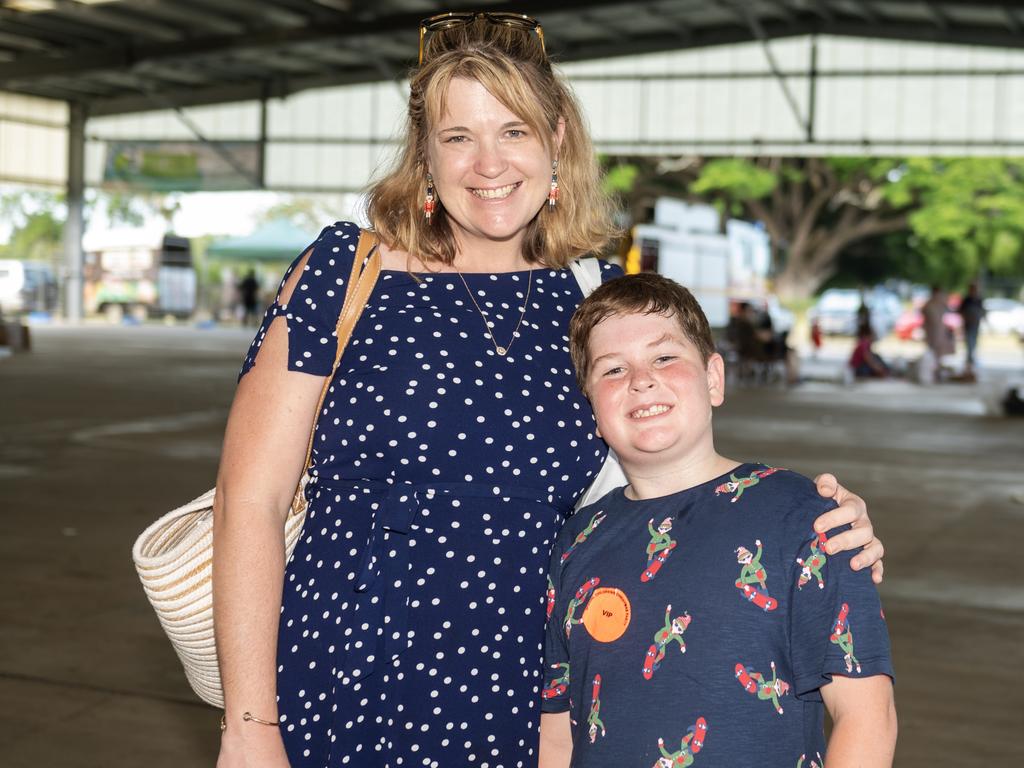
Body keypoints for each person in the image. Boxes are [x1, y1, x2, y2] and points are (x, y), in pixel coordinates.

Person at [212, 13, 885, 768]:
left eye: (514, 132)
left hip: (529, 691)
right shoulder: (347, 274)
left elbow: (668, 480)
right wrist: (249, 725)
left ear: (557, 138)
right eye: (457, 136)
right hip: (346, 669)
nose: (487, 163)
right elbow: (251, 498)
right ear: (424, 155)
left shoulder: (593, 296)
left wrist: (811, 528)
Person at [540, 274, 896, 767]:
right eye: (613, 369)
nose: (641, 379)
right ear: (593, 409)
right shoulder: (577, 541)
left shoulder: (803, 518)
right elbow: (556, 730)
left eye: (665, 357)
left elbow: (866, 717)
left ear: (713, 378)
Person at [922, 284, 954, 381]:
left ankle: (937, 372)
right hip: (932, 332)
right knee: (933, 353)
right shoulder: (930, 304)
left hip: (939, 332)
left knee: (939, 354)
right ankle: (934, 372)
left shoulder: (939, 303)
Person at [958, 281, 985, 380]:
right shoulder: (967, 300)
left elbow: (982, 312)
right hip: (968, 325)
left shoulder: (978, 300)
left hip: (975, 325)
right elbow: (960, 311)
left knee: (973, 344)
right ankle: (969, 363)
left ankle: (971, 362)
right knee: (969, 344)